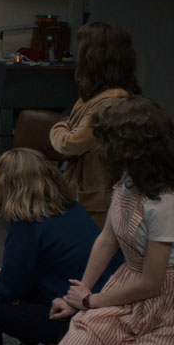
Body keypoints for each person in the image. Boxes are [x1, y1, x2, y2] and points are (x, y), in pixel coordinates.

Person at [50, 96, 174, 345]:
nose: (102, 149)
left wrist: (90, 301)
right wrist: (80, 293)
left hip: (173, 302)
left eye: (108, 143)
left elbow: (151, 284)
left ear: (130, 150)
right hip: (129, 285)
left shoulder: (165, 204)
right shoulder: (127, 181)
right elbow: (107, 241)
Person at [0, 148, 120, 345]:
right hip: (110, 306)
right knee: (29, 291)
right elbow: (41, 269)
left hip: (83, 317)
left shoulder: (26, 223)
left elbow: (8, 290)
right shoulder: (71, 208)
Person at [50, 22, 141, 227]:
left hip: (95, 201)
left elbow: (71, 143)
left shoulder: (111, 101)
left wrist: (58, 127)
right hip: (83, 192)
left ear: (95, 57)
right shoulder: (96, 94)